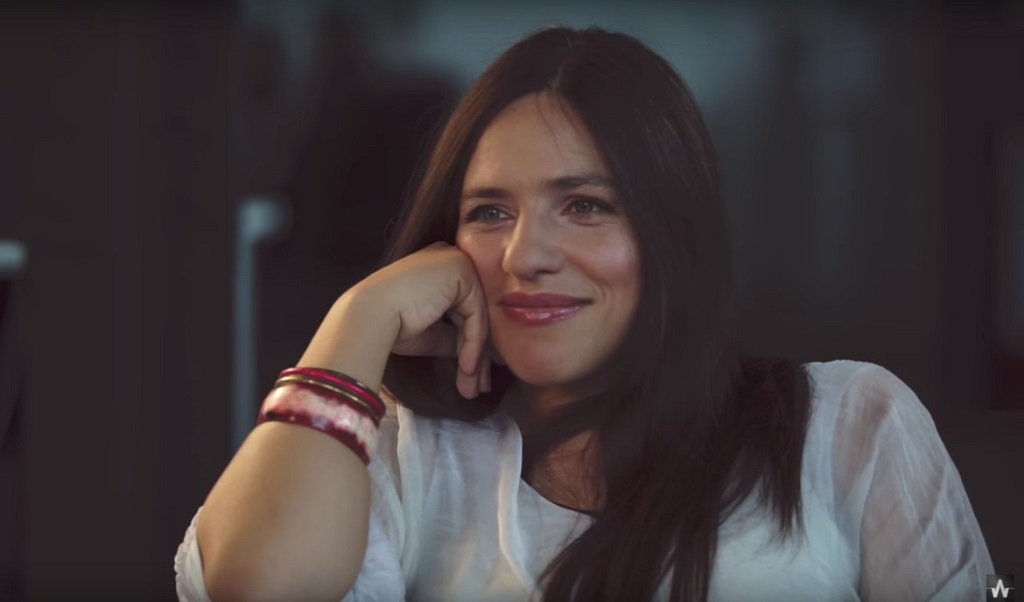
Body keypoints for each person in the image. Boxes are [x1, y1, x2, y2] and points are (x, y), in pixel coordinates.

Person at [175, 26, 993, 601]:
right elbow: (259, 588)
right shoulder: (404, 450)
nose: (524, 254)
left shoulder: (851, 425)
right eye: (489, 212)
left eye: (586, 206)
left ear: (672, 234)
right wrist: (358, 316)